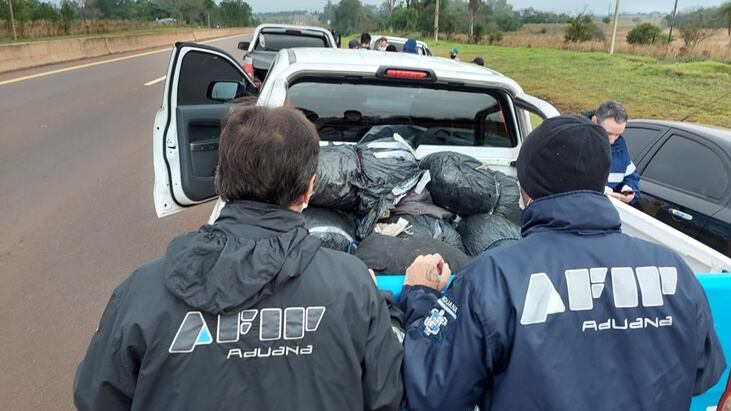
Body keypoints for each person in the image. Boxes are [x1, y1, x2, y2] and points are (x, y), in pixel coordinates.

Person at [74, 106, 405, 411]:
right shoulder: (353, 285)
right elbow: (386, 398)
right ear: (309, 188)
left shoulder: (142, 291)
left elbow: (96, 398)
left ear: (221, 181)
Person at [399, 115, 726, 411]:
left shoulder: (494, 278)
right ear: (601, 182)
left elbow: (432, 392)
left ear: (524, 188)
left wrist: (420, 295)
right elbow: (704, 374)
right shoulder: (673, 269)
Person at [586, 101, 639, 205]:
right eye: (608, 133)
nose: (612, 140)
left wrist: (628, 189)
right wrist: (601, 191)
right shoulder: (576, 141)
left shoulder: (620, 147)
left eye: (617, 134)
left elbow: (631, 176)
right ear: (594, 121)